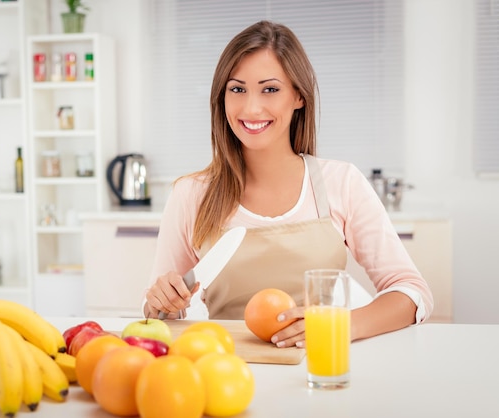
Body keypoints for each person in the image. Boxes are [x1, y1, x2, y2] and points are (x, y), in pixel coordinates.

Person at [143, 20, 433, 348]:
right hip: (225, 371)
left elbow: (411, 292)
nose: (251, 108)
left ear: (298, 96)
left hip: (322, 367)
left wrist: (340, 325)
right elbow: (158, 314)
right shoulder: (191, 194)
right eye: (237, 89)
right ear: (221, 98)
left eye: (270, 89)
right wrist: (161, 301)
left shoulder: (342, 182)